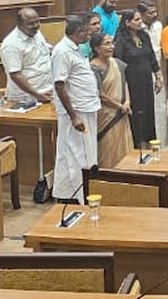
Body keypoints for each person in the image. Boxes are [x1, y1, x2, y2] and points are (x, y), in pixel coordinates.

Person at [51, 14, 99, 203]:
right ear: (78, 32)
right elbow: (60, 85)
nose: (90, 34)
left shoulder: (76, 48)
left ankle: (72, 194)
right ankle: (81, 196)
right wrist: (73, 116)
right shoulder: (62, 52)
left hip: (85, 107)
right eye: (87, 31)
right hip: (77, 111)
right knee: (79, 155)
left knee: (78, 153)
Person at [114, 9, 160, 147]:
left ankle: (148, 142)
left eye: (140, 19)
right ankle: (136, 144)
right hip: (131, 82)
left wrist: (158, 76)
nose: (140, 22)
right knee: (136, 112)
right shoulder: (121, 40)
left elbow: (151, 57)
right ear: (127, 23)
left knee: (148, 112)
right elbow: (118, 63)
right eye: (137, 20)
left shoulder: (144, 36)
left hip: (146, 80)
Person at [88, 32, 131, 167]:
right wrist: (119, 106)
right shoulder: (92, 68)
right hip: (105, 115)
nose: (111, 47)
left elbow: (125, 83)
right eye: (107, 44)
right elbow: (99, 94)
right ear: (96, 48)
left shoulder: (117, 63)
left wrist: (127, 102)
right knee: (107, 147)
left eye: (112, 43)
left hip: (122, 112)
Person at [0, 7, 54, 105]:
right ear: (19, 24)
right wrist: (37, 95)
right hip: (27, 98)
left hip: (47, 91)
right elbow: (16, 75)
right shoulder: (11, 44)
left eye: (37, 22)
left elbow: (45, 48)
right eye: (31, 23)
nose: (36, 26)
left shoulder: (35, 33)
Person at [138, 0, 168, 146]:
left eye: (155, 12)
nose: (154, 15)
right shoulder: (138, 28)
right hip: (143, 70)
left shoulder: (158, 26)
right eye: (150, 13)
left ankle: (163, 144)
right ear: (141, 14)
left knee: (161, 107)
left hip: (158, 68)